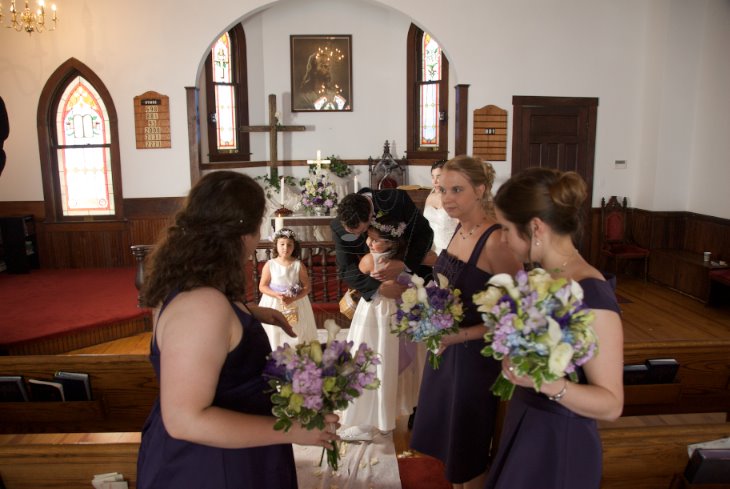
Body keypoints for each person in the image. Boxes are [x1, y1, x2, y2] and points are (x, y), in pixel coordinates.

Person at [136, 171, 338, 489]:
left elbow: (203, 334)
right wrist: (295, 430)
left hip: (231, 449)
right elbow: (184, 420)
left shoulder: (189, 285)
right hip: (211, 465)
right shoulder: (202, 306)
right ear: (243, 233)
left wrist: (252, 313)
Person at [483, 167, 624, 489]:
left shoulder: (592, 295)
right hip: (528, 422)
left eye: (506, 229)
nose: (502, 239)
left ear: (535, 227)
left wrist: (548, 384)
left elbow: (611, 404)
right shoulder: (541, 279)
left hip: (561, 442)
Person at [410, 156, 522, 489]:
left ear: (481, 189)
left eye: (457, 190)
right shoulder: (460, 227)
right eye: (443, 189)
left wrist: (459, 335)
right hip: (446, 353)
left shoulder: (496, 240)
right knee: (450, 451)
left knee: (468, 454)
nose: (447, 198)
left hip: (475, 361)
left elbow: (518, 316)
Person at [341, 216, 423, 434]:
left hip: (376, 312)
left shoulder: (369, 260)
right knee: (389, 356)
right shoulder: (404, 261)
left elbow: (358, 274)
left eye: (375, 240)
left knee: (371, 355)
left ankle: (371, 412)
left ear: (390, 242)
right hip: (398, 311)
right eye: (369, 237)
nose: (369, 242)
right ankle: (394, 410)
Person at [331, 187, 433, 303]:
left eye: (362, 231)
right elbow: (346, 268)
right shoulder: (338, 226)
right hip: (378, 292)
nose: (366, 241)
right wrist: (378, 288)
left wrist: (404, 263)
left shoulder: (397, 199)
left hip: (415, 278)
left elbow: (425, 234)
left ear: (370, 215)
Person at [258, 227, 318, 349]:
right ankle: (274, 349)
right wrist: (276, 295)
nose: (285, 248)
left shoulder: (298, 265)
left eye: (289, 245)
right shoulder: (270, 264)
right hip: (274, 301)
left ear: (294, 247)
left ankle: (297, 350)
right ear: (276, 245)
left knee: (296, 328)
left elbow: (307, 287)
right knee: (274, 330)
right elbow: (262, 286)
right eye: (282, 244)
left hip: (295, 302)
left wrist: (294, 298)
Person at [423, 160, 458, 257]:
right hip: (430, 250)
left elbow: (463, 230)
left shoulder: (456, 199)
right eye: (432, 177)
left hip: (450, 252)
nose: (434, 181)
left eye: (439, 177)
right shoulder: (430, 197)